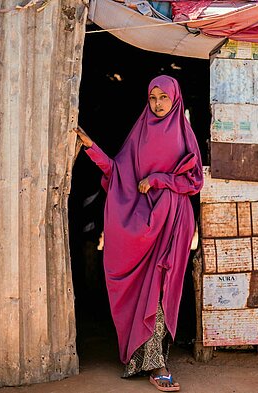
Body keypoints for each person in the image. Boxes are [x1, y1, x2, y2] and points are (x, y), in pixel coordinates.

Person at [73, 75, 203, 392]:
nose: (158, 104)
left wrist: (160, 179)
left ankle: (158, 362)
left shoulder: (185, 135)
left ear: (175, 99)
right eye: (152, 97)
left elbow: (195, 182)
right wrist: (90, 147)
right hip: (142, 226)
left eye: (163, 97)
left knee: (160, 290)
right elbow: (119, 172)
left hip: (172, 224)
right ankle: (143, 359)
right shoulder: (140, 133)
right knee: (143, 291)